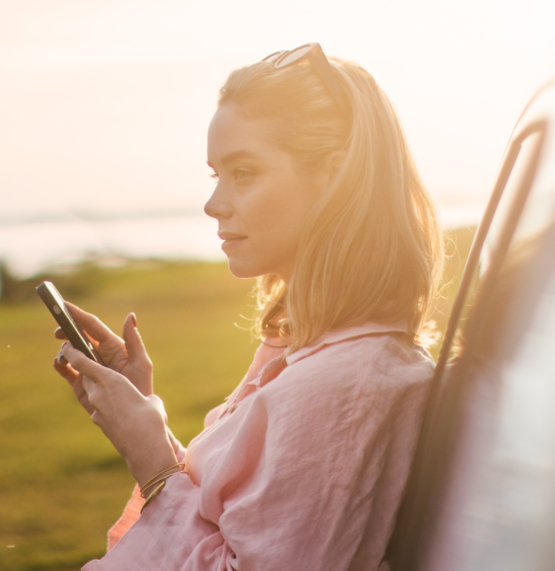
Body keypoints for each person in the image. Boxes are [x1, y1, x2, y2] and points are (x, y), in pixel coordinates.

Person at [52, 43, 445, 570]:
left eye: (244, 173)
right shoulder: (307, 353)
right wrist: (142, 414)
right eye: (216, 175)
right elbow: (236, 520)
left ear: (334, 176)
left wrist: (149, 458)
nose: (214, 205)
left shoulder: (346, 385)